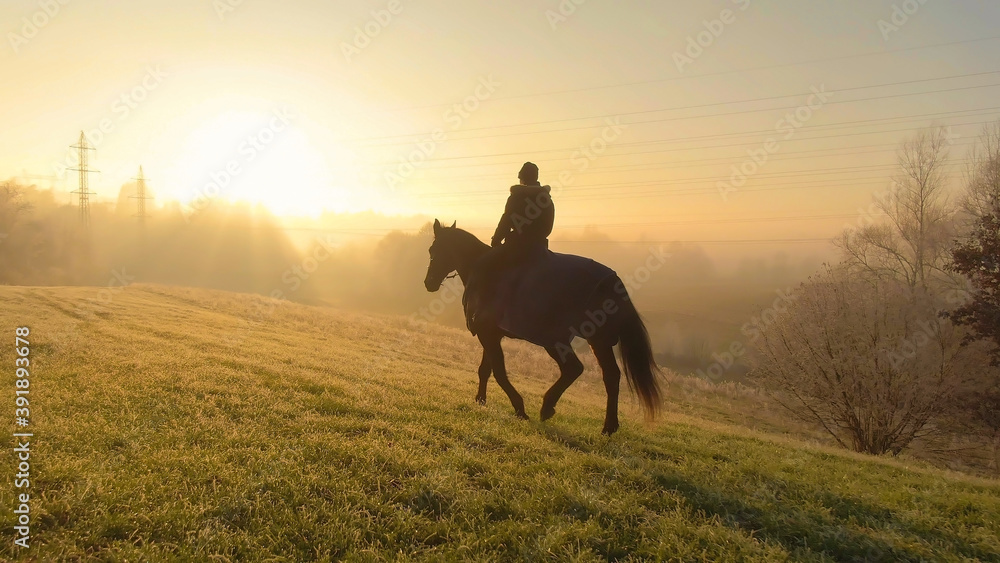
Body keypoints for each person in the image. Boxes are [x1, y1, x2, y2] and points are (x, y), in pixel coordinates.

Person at [465, 162, 555, 332]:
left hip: (517, 246)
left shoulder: (517, 197)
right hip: (539, 248)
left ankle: (485, 312)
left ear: (523, 177)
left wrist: (496, 240)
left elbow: (506, 220)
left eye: (520, 176)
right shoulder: (546, 199)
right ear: (536, 177)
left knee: (483, 266)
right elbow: (548, 227)